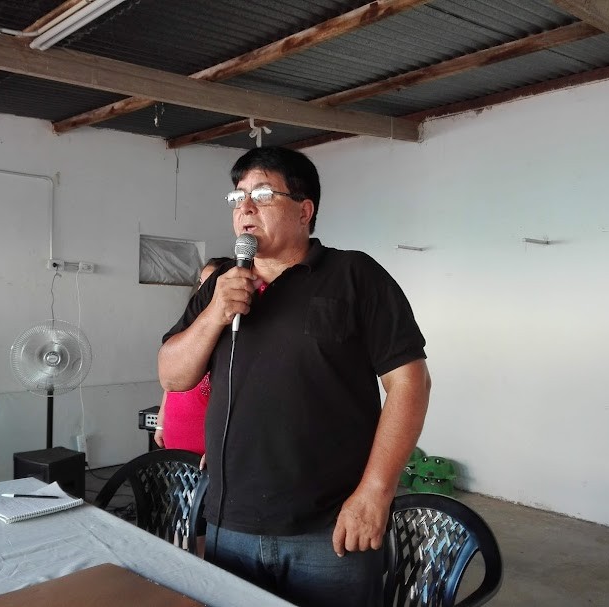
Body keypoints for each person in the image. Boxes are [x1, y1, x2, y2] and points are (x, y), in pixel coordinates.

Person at [158, 147, 431, 607]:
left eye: (263, 194)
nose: (245, 207)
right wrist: (215, 314)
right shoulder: (220, 285)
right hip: (231, 521)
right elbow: (172, 376)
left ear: (305, 211)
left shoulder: (355, 276)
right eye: (238, 196)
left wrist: (375, 492)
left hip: (331, 527)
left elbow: (410, 384)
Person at [154, 257, 232, 455]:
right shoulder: (190, 323)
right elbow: (171, 382)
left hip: (208, 446)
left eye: (211, 283)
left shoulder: (231, 332)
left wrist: (221, 449)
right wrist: (161, 420)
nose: (204, 290)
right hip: (175, 433)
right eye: (201, 283)